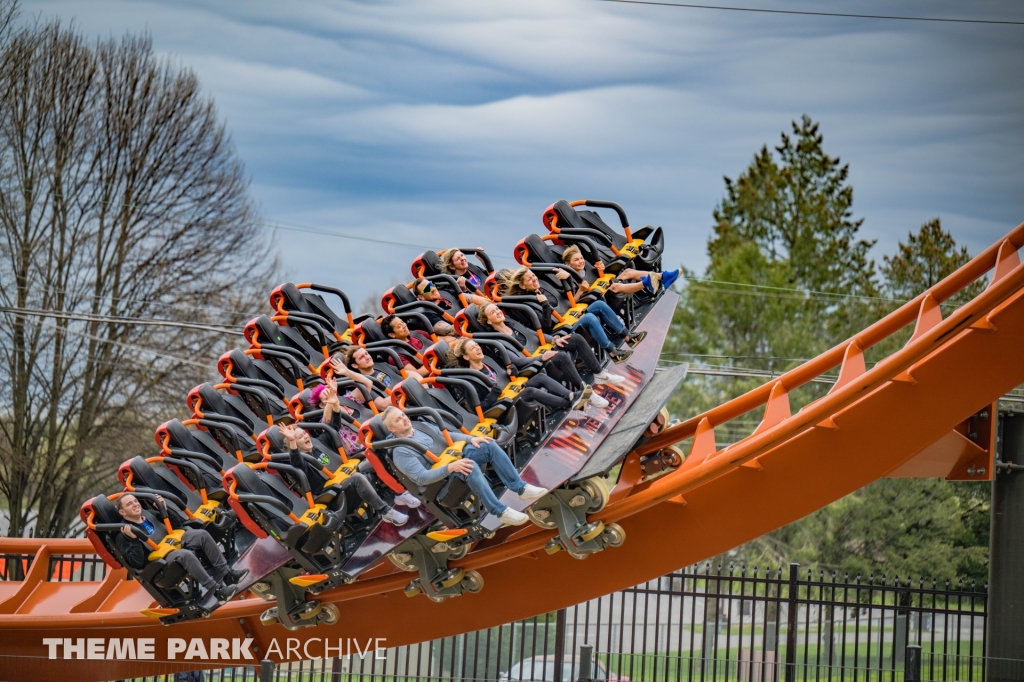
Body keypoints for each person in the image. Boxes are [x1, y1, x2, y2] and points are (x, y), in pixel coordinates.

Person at [381, 406, 546, 526]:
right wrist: (450, 468)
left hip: (454, 461)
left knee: (487, 444)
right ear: (391, 429)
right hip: (441, 484)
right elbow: (421, 478)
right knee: (469, 465)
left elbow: (445, 435)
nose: (404, 419)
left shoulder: (419, 427)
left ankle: (521, 488)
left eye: (403, 415)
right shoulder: (400, 451)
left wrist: (471, 439)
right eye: (398, 419)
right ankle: (500, 511)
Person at [502, 268, 628, 386]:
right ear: (522, 286)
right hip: (559, 331)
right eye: (529, 279)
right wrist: (545, 305)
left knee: (599, 304)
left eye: (533, 276)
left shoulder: (543, 287)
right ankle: (611, 352)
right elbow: (545, 327)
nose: (534, 279)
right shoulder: (525, 304)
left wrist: (567, 279)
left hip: (569, 319)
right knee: (589, 319)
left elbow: (565, 302)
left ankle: (627, 336)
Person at [113, 493, 245, 603]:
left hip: (173, 541)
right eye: (129, 504)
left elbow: (177, 525)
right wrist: (135, 540)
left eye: (135, 501)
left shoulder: (149, 515)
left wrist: (164, 510)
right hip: (161, 559)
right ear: (122, 512)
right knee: (185, 555)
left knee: (201, 535)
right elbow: (137, 562)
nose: (135, 504)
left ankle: (228, 574)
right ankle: (217, 591)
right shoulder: (124, 534)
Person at [278, 423, 414, 526]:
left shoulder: (318, 443)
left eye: (304, 433)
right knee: (357, 478)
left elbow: (334, 426)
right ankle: (386, 512)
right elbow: (297, 463)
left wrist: (334, 404)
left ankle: (399, 493)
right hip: (333, 493)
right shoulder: (300, 461)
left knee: (373, 457)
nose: (305, 436)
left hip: (346, 475)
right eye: (300, 438)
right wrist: (292, 442)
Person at [477, 303, 609, 408]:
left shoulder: (512, 323)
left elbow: (534, 334)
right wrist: (541, 357)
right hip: (534, 363)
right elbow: (517, 361)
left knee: (575, 338)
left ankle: (599, 373)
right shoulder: (498, 342)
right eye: (493, 312)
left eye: (497, 309)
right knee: (561, 356)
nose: (498, 312)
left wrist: (554, 340)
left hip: (542, 350)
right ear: (488, 321)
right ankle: (586, 392)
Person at [448, 338, 583, 412]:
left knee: (539, 378)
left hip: (512, 391)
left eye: (477, 345)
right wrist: (493, 395)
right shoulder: (470, 380)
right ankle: (569, 403)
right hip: (502, 405)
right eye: (473, 348)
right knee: (530, 391)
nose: (478, 348)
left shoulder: (488, 361)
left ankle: (572, 396)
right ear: (466, 357)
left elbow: (506, 376)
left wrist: (513, 371)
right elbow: (479, 408)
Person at [557, 244, 679, 297]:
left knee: (627, 272)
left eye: (581, 258)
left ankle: (663, 276)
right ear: (568, 264)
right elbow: (571, 302)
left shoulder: (585, 268)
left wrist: (601, 270)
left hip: (600, 286)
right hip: (592, 297)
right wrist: (580, 290)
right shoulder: (567, 277)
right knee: (616, 287)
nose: (581, 261)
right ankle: (646, 283)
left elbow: (595, 277)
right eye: (576, 260)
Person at [413, 277, 489, 326]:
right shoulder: (428, 313)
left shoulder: (446, 292)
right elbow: (447, 329)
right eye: (427, 289)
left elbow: (470, 298)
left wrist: (491, 306)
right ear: (421, 297)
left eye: (431, 285)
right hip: (467, 331)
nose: (433, 289)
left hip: (479, 318)